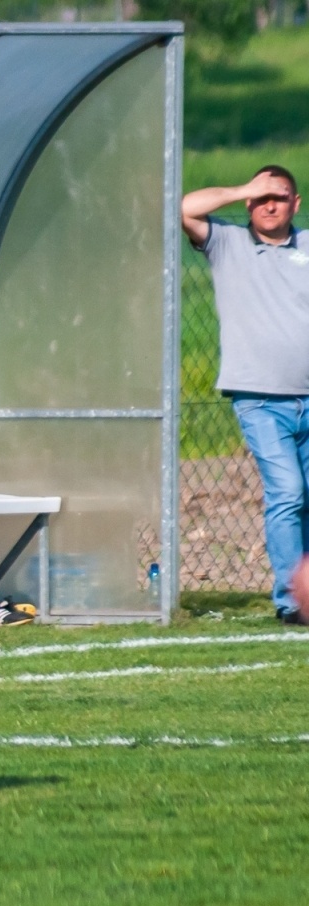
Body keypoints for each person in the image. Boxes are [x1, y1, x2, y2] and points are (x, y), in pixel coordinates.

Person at [183, 165, 309, 625]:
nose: (268, 204)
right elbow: (183, 209)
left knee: (306, 497)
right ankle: (289, 601)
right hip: (260, 399)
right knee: (288, 492)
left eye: (278, 197)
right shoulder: (227, 243)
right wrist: (242, 189)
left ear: (295, 204)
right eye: (260, 198)